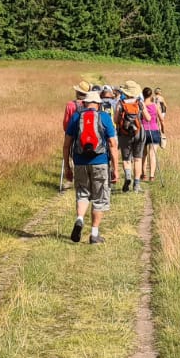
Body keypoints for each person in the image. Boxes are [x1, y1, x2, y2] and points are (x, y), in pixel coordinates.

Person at [64, 87, 121, 244]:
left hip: (80, 162)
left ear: (85, 103)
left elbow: (66, 144)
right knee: (99, 197)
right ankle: (94, 234)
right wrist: (115, 168)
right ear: (98, 104)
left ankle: (80, 219)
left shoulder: (76, 117)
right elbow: (112, 144)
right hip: (100, 161)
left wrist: (68, 166)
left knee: (82, 193)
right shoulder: (104, 117)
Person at [61, 78, 98, 189]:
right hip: (87, 133)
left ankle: (73, 176)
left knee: (71, 152)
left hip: (73, 133)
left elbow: (66, 123)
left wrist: (68, 132)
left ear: (77, 92)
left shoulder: (70, 105)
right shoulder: (89, 104)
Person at [114, 82, 147, 192]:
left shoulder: (120, 103)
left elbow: (116, 120)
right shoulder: (140, 103)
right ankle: (136, 185)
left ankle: (128, 176)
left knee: (126, 159)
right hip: (139, 133)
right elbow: (148, 118)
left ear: (125, 92)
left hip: (124, 133)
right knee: (138, 159)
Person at [140, 86, 164, 180]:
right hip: (154, 130)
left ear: (143, 95)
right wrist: (163, 130)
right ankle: (152, 176)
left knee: (143, 154)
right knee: (152, 154)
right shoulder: (155, 105)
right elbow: (161, 119)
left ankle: (143, 174)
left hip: (143, 130)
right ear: (151, 95)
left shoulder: (141, 105)